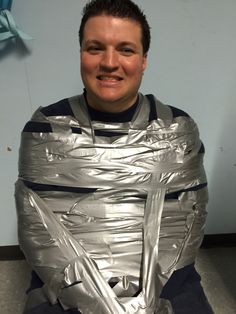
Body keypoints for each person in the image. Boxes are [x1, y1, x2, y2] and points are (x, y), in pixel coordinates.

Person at [15, 0, 214, 313]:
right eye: (95, 48)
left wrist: (144, 301)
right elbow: (36, 227)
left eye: (125, 49)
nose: (109, 62)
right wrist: (95, 301)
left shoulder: (177, 130)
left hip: (167, 280)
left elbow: (189, 224)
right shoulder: (45, 129)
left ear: (143, 59)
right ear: (81, 53)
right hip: (65, 284)